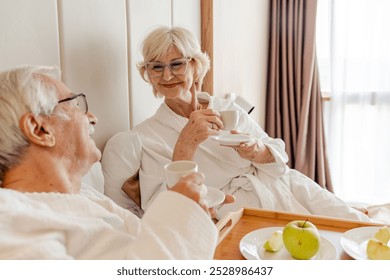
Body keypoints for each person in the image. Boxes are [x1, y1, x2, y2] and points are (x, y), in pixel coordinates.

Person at [102, 26, 371, 222]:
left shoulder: (227, 109)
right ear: (147, 75)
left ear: (195, 66)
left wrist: (256, 151)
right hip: (236, 210)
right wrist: (185, 145)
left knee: (362, 230)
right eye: (156, 67)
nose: (167, 75)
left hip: (285, 187)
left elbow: (279, 160)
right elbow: (161, 208)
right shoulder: (144, 137)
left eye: (177, 64)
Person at [0, 65, 219, 259]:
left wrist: (190, 217)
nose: (92, 117)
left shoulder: (84, 196)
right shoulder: (10, 223)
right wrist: (177, 213)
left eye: (178, 64)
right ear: (40, 129)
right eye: (75, 105)